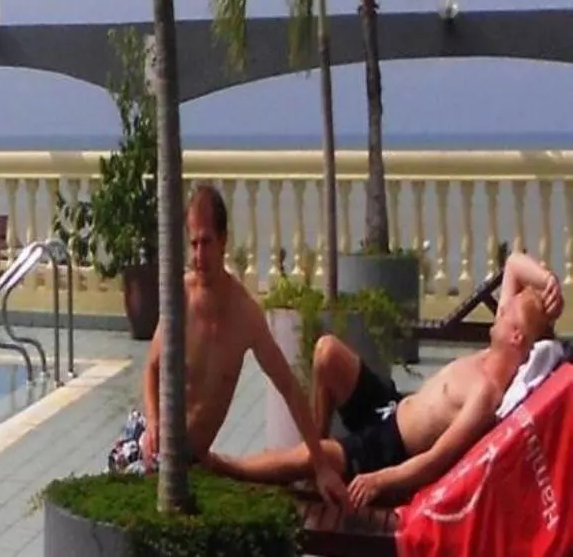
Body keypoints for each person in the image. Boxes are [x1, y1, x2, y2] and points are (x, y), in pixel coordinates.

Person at [209, 251, 565, 509]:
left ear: (516, 336)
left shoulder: (486, 394)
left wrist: (382, 480)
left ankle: (224, 465)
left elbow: (437, 460)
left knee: (307, 455)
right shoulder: (494, 353)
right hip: (390, 405)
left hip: (389, 449)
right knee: (327, 351)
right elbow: (515, 263)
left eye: (507, 312)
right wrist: (548, 283)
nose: (500, 310)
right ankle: (320, 461)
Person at [120, 186, 346, 503]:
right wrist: (154, 421)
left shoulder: (245, 315)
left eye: (207, 242)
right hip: (154, 441)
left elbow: (290, 388)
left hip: (193, 461)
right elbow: (152, 368)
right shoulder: (179, 297)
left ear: (224, 240)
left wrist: (320, 466)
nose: (199, 256)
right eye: (193, 244)